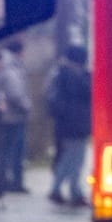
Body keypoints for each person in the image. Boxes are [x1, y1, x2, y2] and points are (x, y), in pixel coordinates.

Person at [45, 44, 92, 206]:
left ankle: (68, 190)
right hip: (74, 124)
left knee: (70, 158)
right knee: (73, 159)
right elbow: (88, 91)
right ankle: (63, 190)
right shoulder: (73, 75)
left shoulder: (60, 73)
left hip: (67, 123)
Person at [0, 38, 31, 195]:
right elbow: (15, 93)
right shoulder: (11, 68)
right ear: (18, 52)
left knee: (7, 151)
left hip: (6, 117)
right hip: (13, 117)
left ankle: (7, 181)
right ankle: (10, 182)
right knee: (12, 152)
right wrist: (27, 106)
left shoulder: (5, 66)